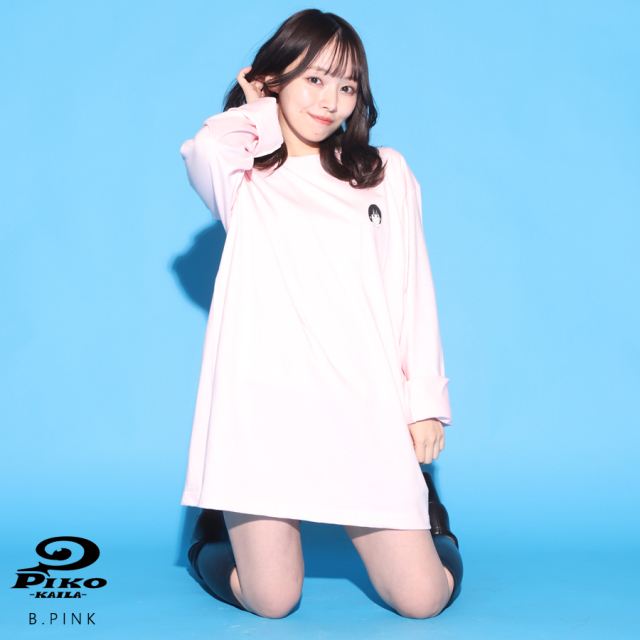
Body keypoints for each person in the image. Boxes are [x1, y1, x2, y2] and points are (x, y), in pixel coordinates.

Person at [178, 8, 463, 619]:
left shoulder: (384, 173)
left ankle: (431, 516)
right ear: (275, 79)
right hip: (263, 413)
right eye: (313, 79)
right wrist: (257, 109)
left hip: (364, 406)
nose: (331, 100)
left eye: (347, 85)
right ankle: (210, 527)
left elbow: (413, 290)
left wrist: (424, 402)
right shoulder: (246, 178)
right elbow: (202, 149)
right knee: (272, 600)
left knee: (423, 599)